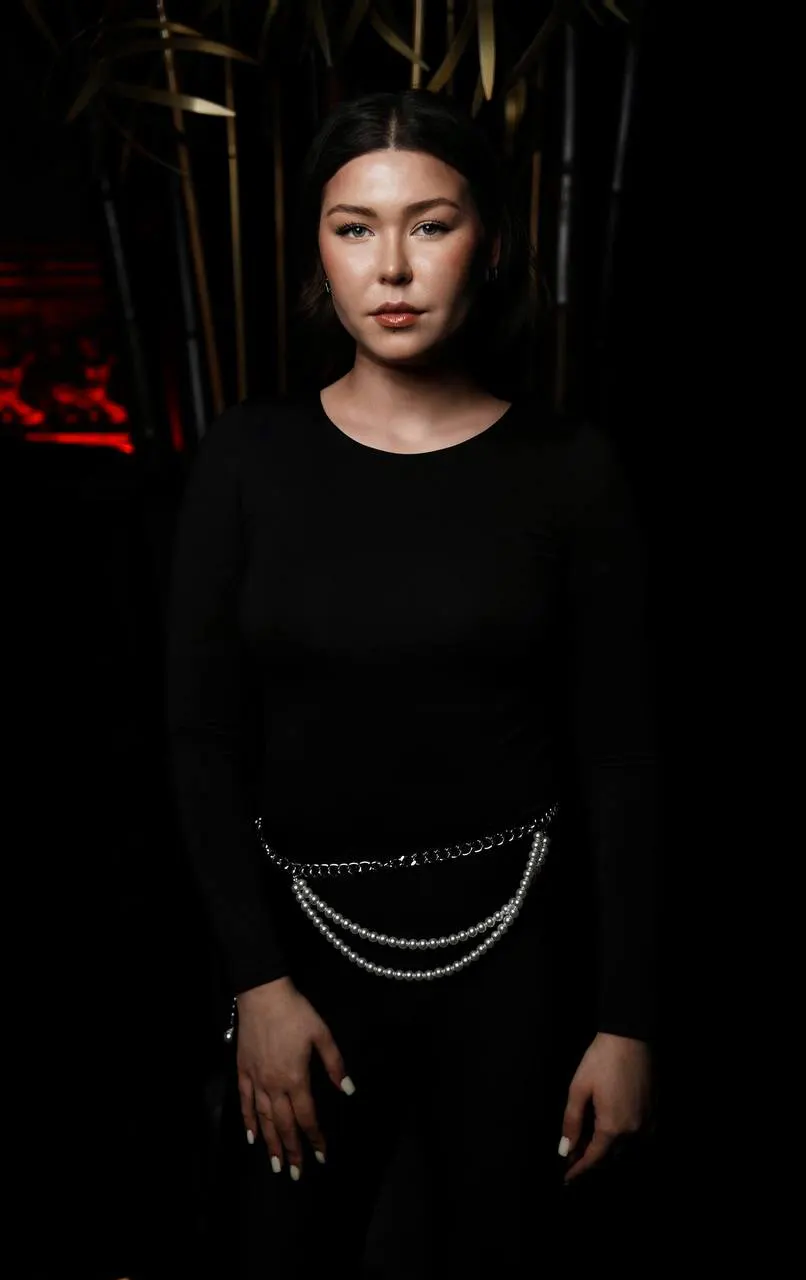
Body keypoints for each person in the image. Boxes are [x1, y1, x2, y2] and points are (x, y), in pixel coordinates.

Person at [166, 88, 660, 1279]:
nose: (390, 266)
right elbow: (199, 739)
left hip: (520, 957)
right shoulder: (247, 457)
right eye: (354, 228)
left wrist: (628, 1021)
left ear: (486, 240)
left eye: (429, 224)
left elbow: (624, 757)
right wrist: (258, 982)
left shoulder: (569, 469)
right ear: (317, 251)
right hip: (302, 954)